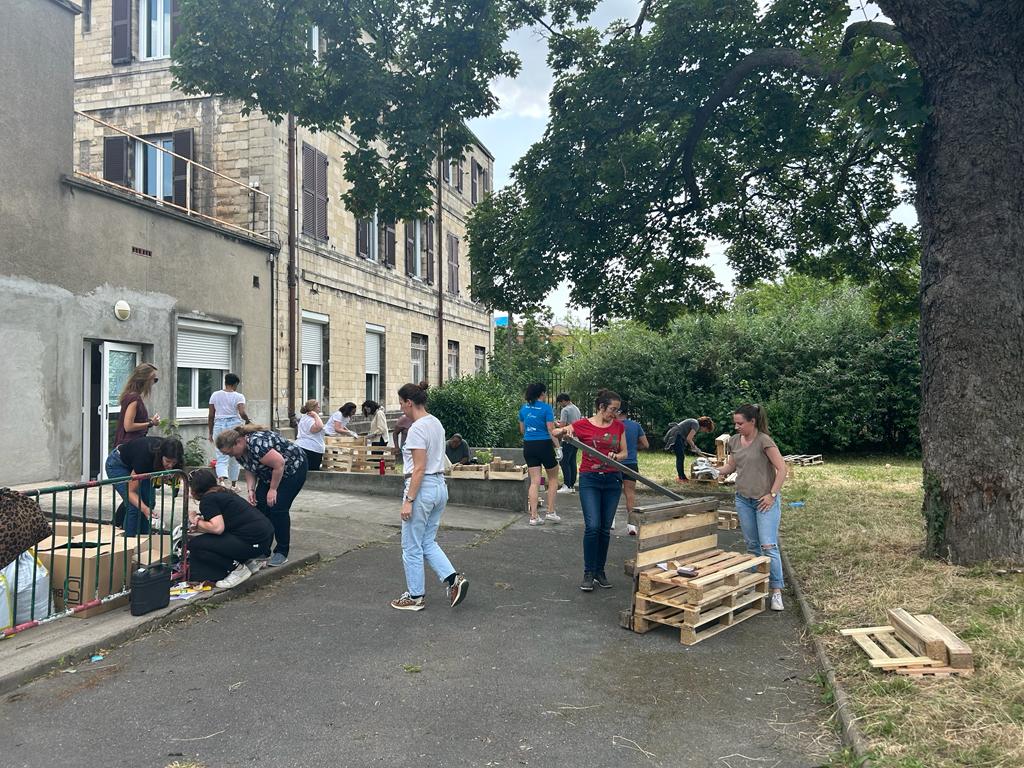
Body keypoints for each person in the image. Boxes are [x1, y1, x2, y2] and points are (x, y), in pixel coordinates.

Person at [390, 383, 468, 611]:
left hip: (421, 489)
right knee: (427, 541)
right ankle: (454, 579)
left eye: (401, 403)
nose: (401, 407)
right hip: (439, 486)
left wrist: (409, 500)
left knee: (411, 545)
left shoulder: (416, 428)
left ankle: (415, 597)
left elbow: (419, 468)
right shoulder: (436, 423)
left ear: (409, 402)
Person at [715, 404, 788, 611]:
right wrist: (714, 471)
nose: (736, 427)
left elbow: (782, 468)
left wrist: (772, 494)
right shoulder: (735, 441)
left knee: (768, 546)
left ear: (752, 422)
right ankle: (757, 585)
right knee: (752, 546)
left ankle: (776, 591)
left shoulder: (764, 441)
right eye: (735, 423)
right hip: (743, 499)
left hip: (764, 501)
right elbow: (731, 466)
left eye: (740, 423)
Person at [215, 424, 308, 567]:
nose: (230, 456)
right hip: (270, 472)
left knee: (278, 507)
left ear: (238, 442)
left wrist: (273, 489)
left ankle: (282, 551)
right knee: (260, 506)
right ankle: (263, 549)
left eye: (230, 452)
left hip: (292, 469)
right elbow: (250, 468)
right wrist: (251, 490)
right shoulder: (239, 452)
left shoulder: (257, 443)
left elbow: (279, 464)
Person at [562, 389, 627, 592]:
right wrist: (567, 431)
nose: (614, 414)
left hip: (612, 481)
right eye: (612, 409)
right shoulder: (583, 424)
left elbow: (625, 452)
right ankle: (588, 572)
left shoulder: (618, 426)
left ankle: (600, 571)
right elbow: (556, 432)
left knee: (605, 528)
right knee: (593, 526)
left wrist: (617, 457)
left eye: (617, 410)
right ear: (601, 407)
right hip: (590, 479)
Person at [186, 468, 275, 589]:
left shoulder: (208, 500)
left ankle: (238, 570)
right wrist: (200, 523)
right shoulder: (223, 492)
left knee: (196, 544)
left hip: (252, 541)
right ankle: (248, 563)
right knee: (211, 540)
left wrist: (193, 519)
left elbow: (217, 528)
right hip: (264, 538)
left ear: (195, 489)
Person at [104, 436, 184, 536]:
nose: (170, 466)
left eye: (174, 462)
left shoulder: (170, 454)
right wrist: (145, 509)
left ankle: (143, 541)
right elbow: (130, 491)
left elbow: (174, 477)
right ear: (160, 455)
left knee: (149, 502)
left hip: (140, 466)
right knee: (134, 506)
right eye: (167, 461)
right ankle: (130, 544)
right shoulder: (145, 458)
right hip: (118, 464)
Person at [519, 383, 561, 526]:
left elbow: (522, 430)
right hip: (544, 444)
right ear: (542, 394)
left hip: (529, 445)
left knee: (535, 481)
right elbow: (551, 429)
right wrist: (558, 447)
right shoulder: (546, 408)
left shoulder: (524, 408)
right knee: (554, 477)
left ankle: (534, 516)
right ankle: (550, 512)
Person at [207, 373, 250, 489]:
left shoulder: (215, 395)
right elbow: (242, 413)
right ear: (235, 384)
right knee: (235, 454)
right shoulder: (239, 396)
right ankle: (234, 484)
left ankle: (221, 481)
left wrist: (210, 432)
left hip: (219, 425)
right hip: (234, 425)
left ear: (225, 382)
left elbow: (211, 415)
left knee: (220, 453)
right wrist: (247, 420)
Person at [113, 363, 161, 448]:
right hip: (128, 446)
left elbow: (134, 420)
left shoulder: (130, 395)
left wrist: (149, 421)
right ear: (146, 380)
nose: (154, 383)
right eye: (154, 379)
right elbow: (128, 426)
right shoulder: (134, 398)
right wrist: (151, 423)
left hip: (128, 445)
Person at [617, 410, 649, 536]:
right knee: (630, 493)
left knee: (613, 492)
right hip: (631, 463)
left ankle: (611, 521)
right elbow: (645, 444)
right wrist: (635, 447)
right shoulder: (636, 426)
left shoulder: (612, 425)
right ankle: (631, 525)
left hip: (615, 462)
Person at [664, 416, 715, 481]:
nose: (704, 431)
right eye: (706, 430)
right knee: (680, 457)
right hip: (676, 435)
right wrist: (695, 448)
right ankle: (681, 478)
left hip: (678, 435)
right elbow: (689, 439)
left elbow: (688, 438)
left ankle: (682, 477)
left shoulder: (695, 423)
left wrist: (693, 447)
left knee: (680, 456)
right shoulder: (696, 424)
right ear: (705, 426)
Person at [554, 393, 582, 494]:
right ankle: (571, 485)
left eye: (560, 403)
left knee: (564, 461)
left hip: (567, 438)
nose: (561, 405)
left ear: (563, 401)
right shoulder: (576, 408)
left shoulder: (565, 410)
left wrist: (557, 424)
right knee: (572, 462)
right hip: (576, 439)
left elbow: (562, 426)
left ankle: (566, 485)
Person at [294, 399, 326, 471]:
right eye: (318, 407)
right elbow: (318, 427)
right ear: (313, 408)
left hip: (302, 446)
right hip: (311, 448)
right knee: (312, 472)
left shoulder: (304, 418)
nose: (319, 408)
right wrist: (315, 415)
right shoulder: (310, 419)